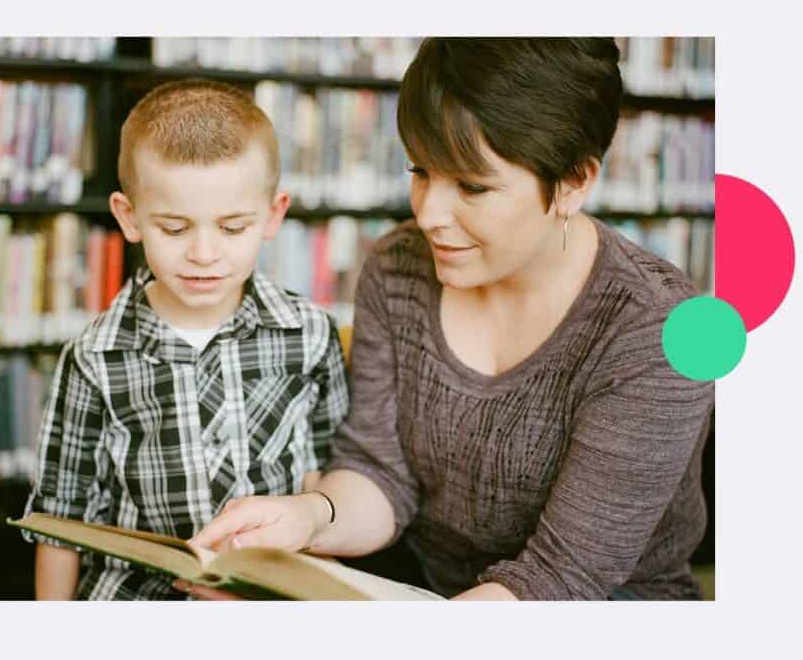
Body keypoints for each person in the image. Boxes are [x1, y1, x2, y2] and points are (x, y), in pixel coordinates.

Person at [185, 38, 715, 601]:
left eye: (472, 186)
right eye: (421, 170)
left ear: (574, 182)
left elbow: (562, 578)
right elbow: (380, 475)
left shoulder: (661, 327)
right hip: (428, 595)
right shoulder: (396, 268)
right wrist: (310, 517)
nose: (429, 213)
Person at [21, 79, 350, 600]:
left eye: (233, 227)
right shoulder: (94, 357)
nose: (203, 253)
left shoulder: (309, 333)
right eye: (174, 228)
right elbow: (59, 520)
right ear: (129, 218)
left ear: (273, 215)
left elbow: (326, 479)